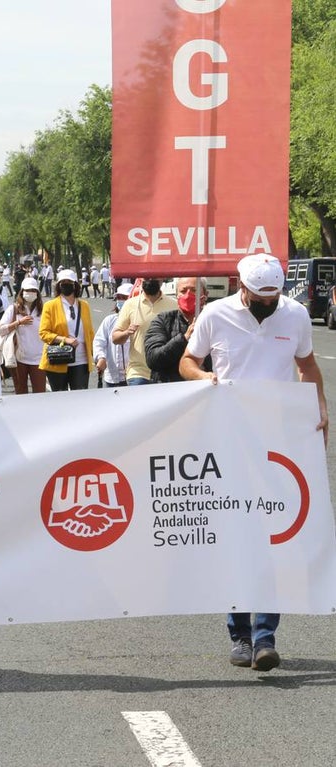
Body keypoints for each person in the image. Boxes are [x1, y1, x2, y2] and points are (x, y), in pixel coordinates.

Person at [179, 254, 328, 673]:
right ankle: (239, 635)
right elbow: (187, 362)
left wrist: (318, 406)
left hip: (278, 445)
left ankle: (265, 636)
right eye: (259, 299)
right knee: (236, 537)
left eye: (273, 299)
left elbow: (307, 366)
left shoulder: (295, 314)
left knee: (273, 538)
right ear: (241, 287)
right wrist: (203, 378)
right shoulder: (215, 315)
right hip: (228, 440)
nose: (267, 305)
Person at [112, 276, 178, 385]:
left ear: (162, 278)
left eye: (154, 277)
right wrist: (126, 332)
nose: (150, 279)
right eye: (146, 277)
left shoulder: (174, 305)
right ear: (140, 279)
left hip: (165, 373)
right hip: (138, 373)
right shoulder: (130, 304)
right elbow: (115, 338)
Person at [38, 269, 95, 391]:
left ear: (75, 285)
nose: (66, 285)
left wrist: (96, 354)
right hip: (58, 357)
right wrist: (65, 340)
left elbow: (90, 333)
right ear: (59, 285)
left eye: (69, 282)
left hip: (81, 360)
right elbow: (44, 333)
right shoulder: (50, 306)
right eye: (63, 282)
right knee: (60, 398)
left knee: (80, 397)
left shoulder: (84, 305)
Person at [145, 277, 210, 383]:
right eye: (183, 291)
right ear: (176, 295)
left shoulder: (214, 322)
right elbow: (153, 359)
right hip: (171, 388)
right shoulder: (163, 320)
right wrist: (184, 338)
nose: (188, 295)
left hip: (207, 387)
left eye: (194, 290)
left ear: (205, 295)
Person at [0, 277, 47, 394]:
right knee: (21, 393)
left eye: (33, 290)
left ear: (37, 293)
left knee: (40, 393)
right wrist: (18, 322)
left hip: (39, 359)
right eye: (27, 290)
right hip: (18, 358)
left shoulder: (43, 310)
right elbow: (1, 330)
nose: (30, 293)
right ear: (22, 292)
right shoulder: (13, 309)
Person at [93, 283, 134, 388]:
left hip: (133, 376)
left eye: (124, 298)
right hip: (112, 376)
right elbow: (99, 342)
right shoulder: (109, 320)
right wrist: (101, 357)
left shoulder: (138, 321)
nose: (120, 300)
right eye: (118, 298)